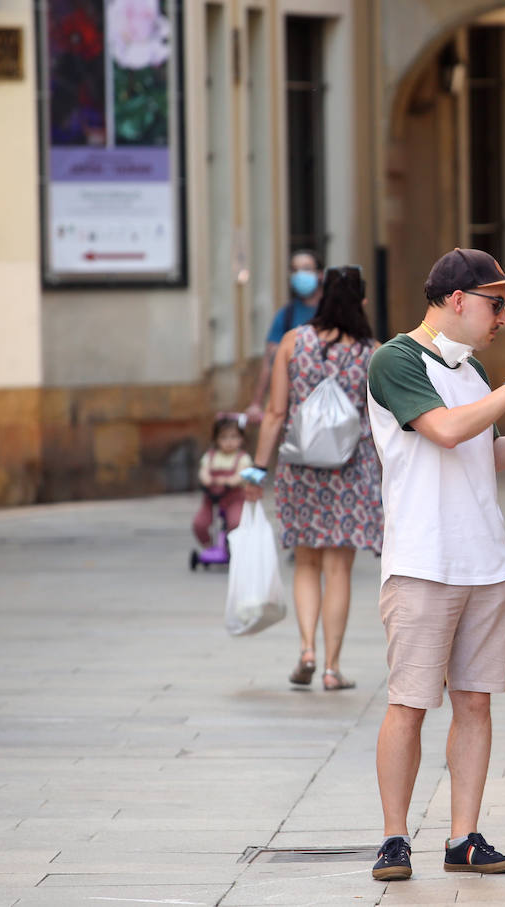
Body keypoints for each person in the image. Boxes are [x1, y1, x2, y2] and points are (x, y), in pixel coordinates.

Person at [366, 247, 505, 882]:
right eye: (494, 302)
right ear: (456, 301)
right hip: (423, 560)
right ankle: (394, 837)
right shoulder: (397, 359)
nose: (502, 316)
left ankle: (464, 836)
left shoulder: (474, 369)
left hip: (485, 559)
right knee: (408, 701)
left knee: (476, 704)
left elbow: (485, 452)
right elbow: (444, 431)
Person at [245, 265, 383, 692]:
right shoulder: (371, 351)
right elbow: (381, 420)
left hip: (300, 466)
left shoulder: (294, 342)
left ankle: (306, 648)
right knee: (337, 569)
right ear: (361, 301)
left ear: (321, 298)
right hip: (352, 469)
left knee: (305, 562)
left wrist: (258, 468)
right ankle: (331, 667)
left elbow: (275, 413)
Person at [247, 249, 324, 421]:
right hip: (295, 407)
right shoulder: (286, 315)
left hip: (329, 405)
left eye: (305, 268)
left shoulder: (333, 313)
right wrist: (257, 402)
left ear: (320, 274)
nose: (299, 275)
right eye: (294, 270)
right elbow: (270, 361)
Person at [193, 415, 251, 546]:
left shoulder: (242, 458)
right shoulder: (210, 456)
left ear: (241, 438)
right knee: (199, 524)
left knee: (235, 523)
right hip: (212, 499)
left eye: (234, 437)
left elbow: (241, 475)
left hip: (234, 497)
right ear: (216, 439)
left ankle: (233, 546)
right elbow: (204, 472)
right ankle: (208, 545)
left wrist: (230, 480)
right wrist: (206, 478)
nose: (229, 442)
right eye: (224, 437)